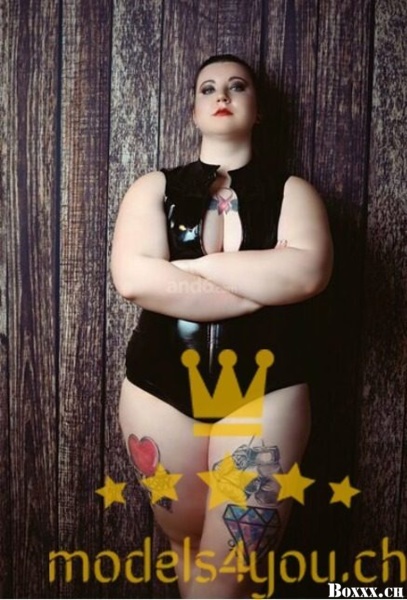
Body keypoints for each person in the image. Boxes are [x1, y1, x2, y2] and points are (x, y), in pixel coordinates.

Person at [111, 54, 333, 598]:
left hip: (267, 390)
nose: (223, 95)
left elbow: (307, 274)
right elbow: (135, 280)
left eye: (238, 86)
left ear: (258, 109)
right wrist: (259, 284)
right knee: (187, 546)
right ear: (193, 109)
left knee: (226, 574)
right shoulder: (152, 188)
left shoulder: (293, 192)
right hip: (160, 390)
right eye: (208, 88)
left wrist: (186, 270)